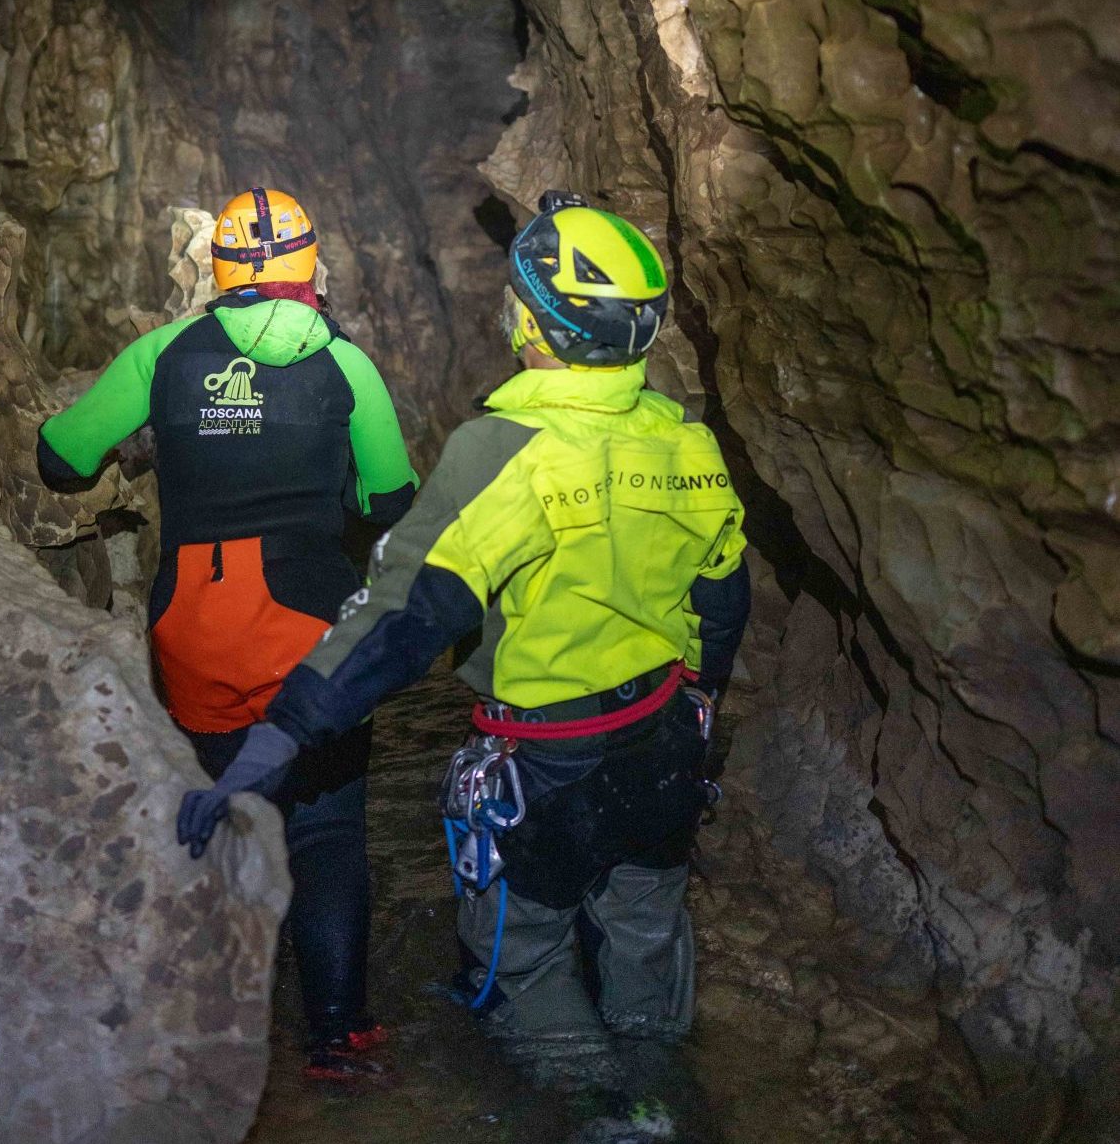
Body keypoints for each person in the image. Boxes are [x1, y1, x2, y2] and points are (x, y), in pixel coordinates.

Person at [179, 191, 751, 1076]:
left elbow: (405, 619)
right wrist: (701, 703)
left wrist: (278, 736)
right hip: (662, 744)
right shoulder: (688, 445)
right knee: (645, 932)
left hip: (547, 764)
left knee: (524, 955)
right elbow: (723, 603)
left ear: (531, 322)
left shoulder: (500, 452)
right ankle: (659, 1095)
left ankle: (584, 1102)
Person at [37, 186, 417, 1079]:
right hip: (312, 629)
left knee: (222, 814)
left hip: (194, 630)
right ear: (307, 268)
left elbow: (62, 457)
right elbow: (391, 499)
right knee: (326, 831)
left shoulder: (162, 355)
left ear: (219, 268)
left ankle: (207, 1026)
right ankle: (337, 1034)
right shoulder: (345, 363)